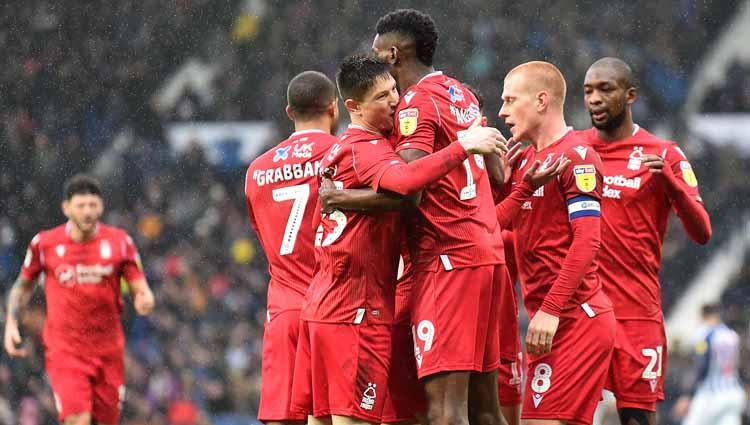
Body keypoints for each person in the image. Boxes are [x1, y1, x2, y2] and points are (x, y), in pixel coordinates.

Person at [290, 54, 506, 425]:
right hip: (355, 312)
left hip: (323, 306)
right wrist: (462, 144)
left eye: (394, 90)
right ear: (353, 107)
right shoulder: (369, 150)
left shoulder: (341, 149)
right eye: (382, 97)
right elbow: (407, 186)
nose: (395, 101)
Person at [372, 10, 511, 425]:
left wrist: (350, 196)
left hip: (447, 258)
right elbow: (499, 173)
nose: (372, 61)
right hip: (485, 254)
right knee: (486, 410)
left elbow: (408, 187)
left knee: (446, 412)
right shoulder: (461, 93)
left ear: (394, 54)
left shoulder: (415, 102)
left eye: (376, 53)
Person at [578, 57, 712, 425]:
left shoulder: (663, 153)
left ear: (630, 95)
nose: (594, 99)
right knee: (567, 415)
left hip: (636, 312)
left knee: (637, 418)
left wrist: (672, 187)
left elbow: (702, 232)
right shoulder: (574, 149)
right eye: (588, 91)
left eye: (605, 89)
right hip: (582, 311)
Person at [496, 61, 615, 425]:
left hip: (576, 318)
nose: (502, 111)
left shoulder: (577, 157)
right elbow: (494, 231)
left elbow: (587, 240)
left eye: (510, 100)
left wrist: (550, 309)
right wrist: (503, 185)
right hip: (547, 324)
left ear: (542, 101)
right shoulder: (525, 162)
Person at [3, 174, 155, 425]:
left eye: (92, 205)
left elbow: (141, 286)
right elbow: (21, 287)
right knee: (78, 418)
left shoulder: (120, 243)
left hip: (108, 351)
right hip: (66, 351)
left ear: (101, 206)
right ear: (66, 208)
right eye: (81, 205)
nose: (87, 212)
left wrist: (144, 298)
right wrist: (11, 322)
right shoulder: (45, 244)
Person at [244, 70, 340, 425]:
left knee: (283, 417)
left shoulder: (256, 170)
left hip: (284, 309)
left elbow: (263, 232)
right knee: (337, 415)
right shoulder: (343, 153)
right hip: (335, 304)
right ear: (334, 108)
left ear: (289, 112)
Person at [673, 303, 745, 425]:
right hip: (733, 392)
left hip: (710, 395)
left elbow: (701, 365)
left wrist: (687, 395)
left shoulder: (704, 334)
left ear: (703, 316)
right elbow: (739, 364)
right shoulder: (732, 335)